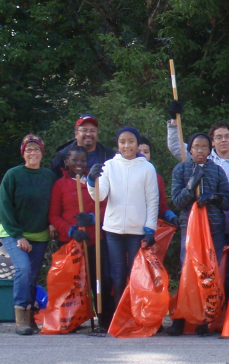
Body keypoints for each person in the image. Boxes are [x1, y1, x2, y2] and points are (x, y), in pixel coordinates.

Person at [87, 127, 160, 330]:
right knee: (117, 275)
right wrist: (91, 181)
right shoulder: (110, 166)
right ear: (117, 144)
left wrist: (150, 228)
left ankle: (136, 317)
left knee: (135, 275)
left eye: (130, 141)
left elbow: (152, 200)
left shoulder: (147, 168)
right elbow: (100, 195)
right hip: (114, 229)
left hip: (137, 230)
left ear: (137, 144)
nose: (126, 146)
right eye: (122, 142)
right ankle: (119, 318)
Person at [167, 132, 229, 336]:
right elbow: (177, 201)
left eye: (205, 147)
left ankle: (205, 318)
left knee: (209, 273)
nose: (201, 151)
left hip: (213, 229)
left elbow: (227, 201)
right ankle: (181, 318)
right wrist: (190, 186)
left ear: (209, 150)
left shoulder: (217, 171)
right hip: (190, 229)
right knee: (187, 272)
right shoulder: (181, 169)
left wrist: (212, 197)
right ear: (190, 149)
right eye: (197, 147)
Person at [47, 145, 114, 325]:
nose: (78, 163)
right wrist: (71, 230)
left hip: (95, 240)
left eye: (82, 160)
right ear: (67, 161)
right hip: (70, 242)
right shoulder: (59, 185)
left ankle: (104, 317)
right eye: (74, 160)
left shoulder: (94, 181)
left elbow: (105, 205)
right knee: (71, 284)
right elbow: (53, 214)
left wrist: (92, 219)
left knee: (100, 279)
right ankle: (70, 319)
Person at [0, 134, 55, 335]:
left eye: (36, 149)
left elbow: (54, 204)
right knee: (22, 269)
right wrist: (18, 235)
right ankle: (20, 316)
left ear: (42, 153)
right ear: (23, 153)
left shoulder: (48, 176)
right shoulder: (13, 175)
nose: (33, 153)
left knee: (31, 275)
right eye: (29, 150)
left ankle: (31, 319)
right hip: (14, 233)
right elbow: (4, 207)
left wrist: (52, 223)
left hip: (39, 235)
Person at [166, 119, 229, 242]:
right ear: (212, 142)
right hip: (196, 223)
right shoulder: (202, 156)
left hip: (225, 226)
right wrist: (173, 123)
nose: (223, 140)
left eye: (227, 136)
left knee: (219, 261)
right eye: (219, 137)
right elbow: (176, 146)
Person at [50, 114, 115, 178]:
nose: (88, 134)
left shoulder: (109, 155)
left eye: (92, 131)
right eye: (84, 130)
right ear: (76, 134)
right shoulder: (63, 157)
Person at [137, 137, 179, 226]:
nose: (142, 155)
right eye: (138, 151)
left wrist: (171, 216)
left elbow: (161, 205)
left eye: (146, 152)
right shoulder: (123, 174)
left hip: (149, 226)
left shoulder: (157, 178)